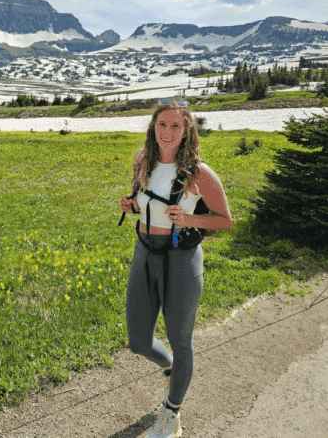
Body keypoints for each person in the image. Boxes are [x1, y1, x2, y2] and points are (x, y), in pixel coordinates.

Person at [120, 99, 233, 438]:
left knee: (180, 338)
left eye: (175, 127)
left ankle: (172, 412)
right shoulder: (142, 160)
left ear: (186, 132)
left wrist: (189, 218)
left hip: (182, 259)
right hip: (144, 252)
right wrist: (130, 205)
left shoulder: (199, 172)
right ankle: (172, 368)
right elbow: (141, 201)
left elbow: (225, 221)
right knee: (139, 341)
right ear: (153, 128)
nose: (167, 133)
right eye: (161, 125)